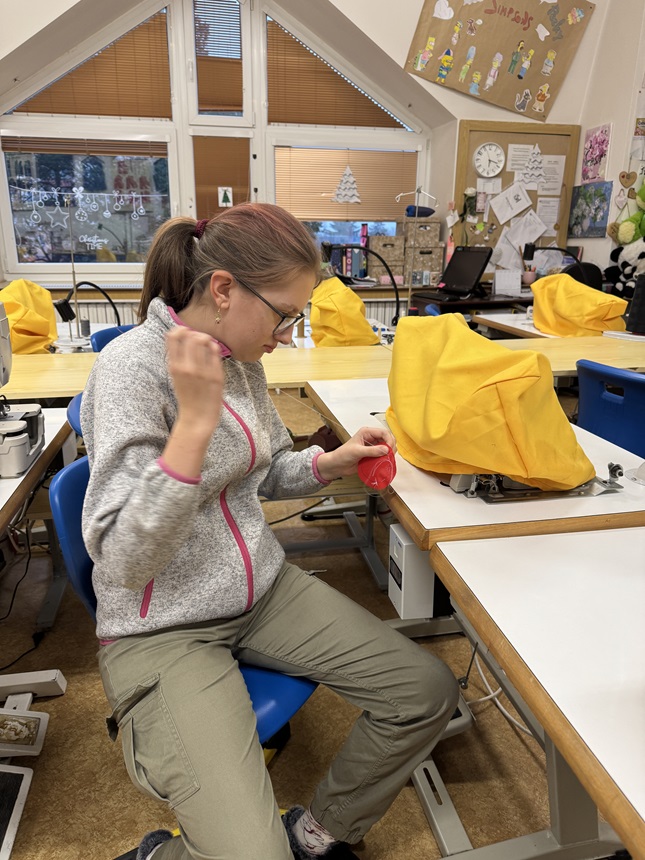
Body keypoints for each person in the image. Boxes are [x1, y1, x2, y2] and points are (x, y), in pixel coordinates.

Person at [80, 202, 458, 860]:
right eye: (284, 314)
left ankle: (318, 832)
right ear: (224, 289)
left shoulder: (240, 357)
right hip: (163, 626)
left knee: (425, 692)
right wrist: (193, 429)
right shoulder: (129, 370)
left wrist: (328, 462)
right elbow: (124, 560)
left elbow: (261, 470)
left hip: (261, 592)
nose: (287, 333)